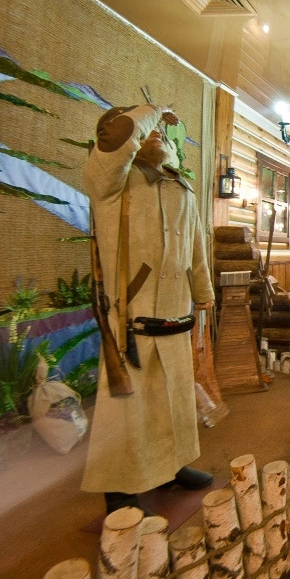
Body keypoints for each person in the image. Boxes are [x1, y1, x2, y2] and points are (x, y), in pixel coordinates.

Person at [83, 103, 215, 514]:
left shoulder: (181, 187)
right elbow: (117, 139)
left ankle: (171, 466)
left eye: (159, 129)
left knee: (173, 400)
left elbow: (196, 246)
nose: (156, 132)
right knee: (127, 410)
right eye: (148, 129)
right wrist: (152, 110)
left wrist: (204, 294)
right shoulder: (110, 182)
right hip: (131, 318)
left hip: (175, 314)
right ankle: (119, 487)